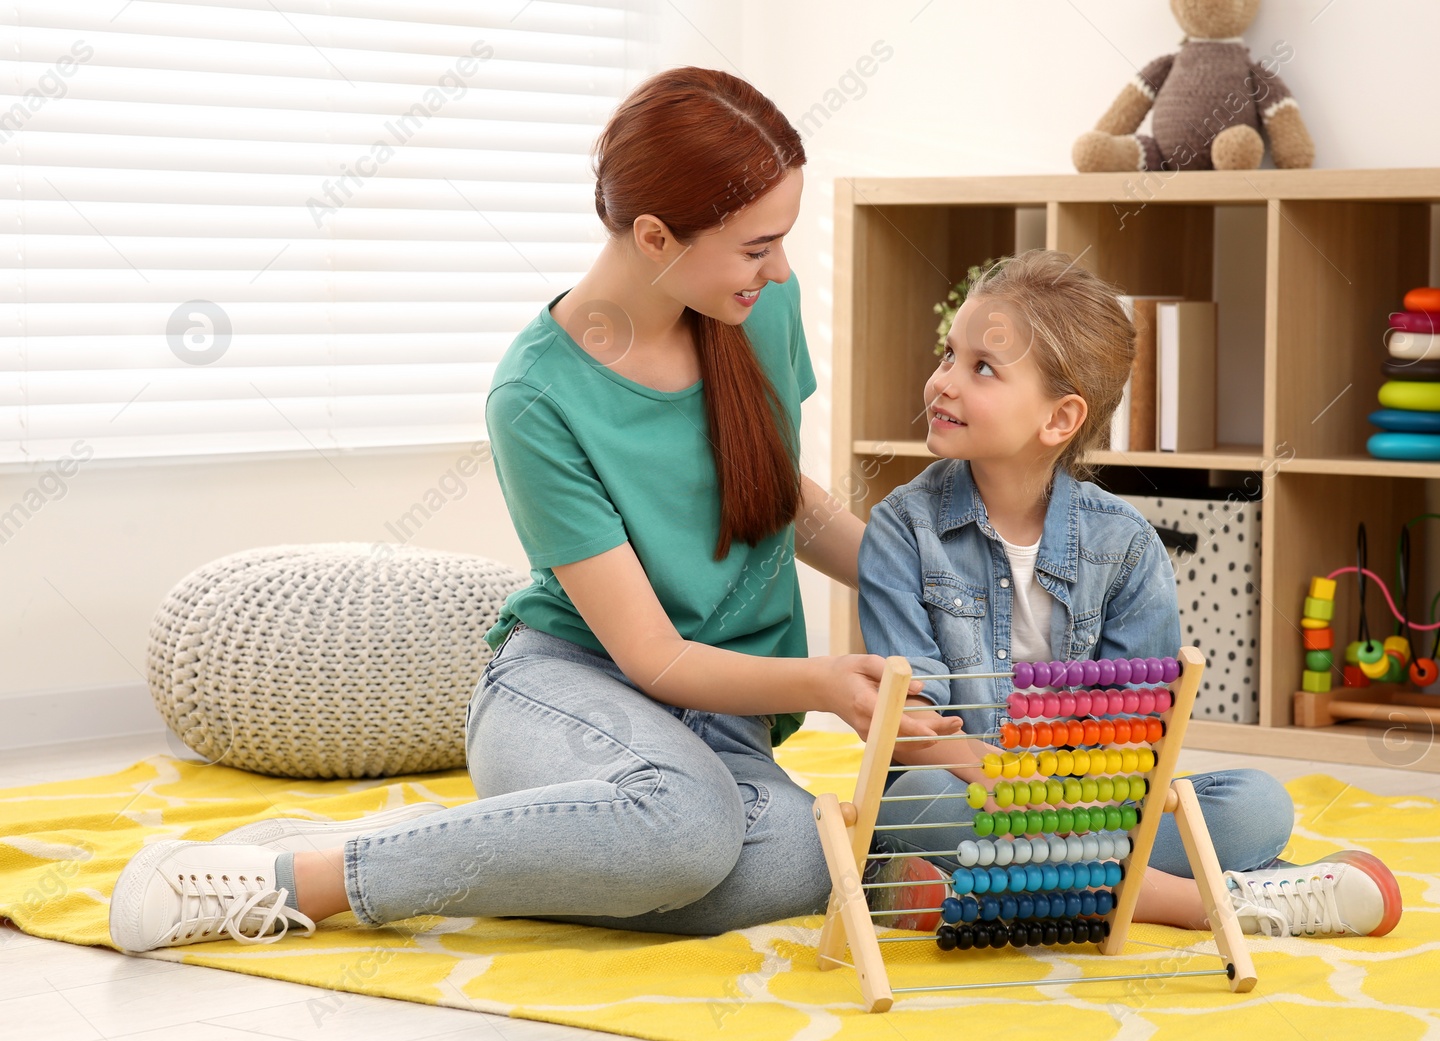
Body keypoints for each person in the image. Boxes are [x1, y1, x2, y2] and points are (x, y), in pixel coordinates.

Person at [108, 66, 961, 954]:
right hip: (569, 693)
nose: (779, 268)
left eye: (780, 240)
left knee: (807, 855)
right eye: (756, 246)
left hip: (721, 728)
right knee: (691, 835)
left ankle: (539, 847)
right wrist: (825, 682)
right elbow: (654, 655)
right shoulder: (535, 395)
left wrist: (927, 576)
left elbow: (776, 498)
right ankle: (312, 874)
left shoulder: (756, 306)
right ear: (657, 235)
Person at [857, 250, 1403, 939]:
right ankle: (1219, 901)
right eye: (947, 355)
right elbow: (913, 728)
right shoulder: (899, 530)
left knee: (1256, 803)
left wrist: (1063, 801)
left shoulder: (1127, 544)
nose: (943, 382)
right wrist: (1001, 781)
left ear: (1060, 420)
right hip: (963, 790)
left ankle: (998, 890)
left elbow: (1137, 740)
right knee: (915, 801)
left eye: (981, 369)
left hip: (1086, 807)